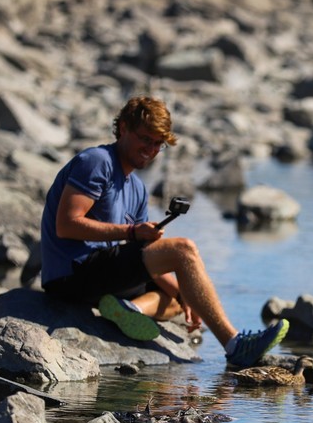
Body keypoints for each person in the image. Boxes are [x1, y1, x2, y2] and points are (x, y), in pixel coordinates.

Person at [40, 95, 288, 367]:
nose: (151, 149)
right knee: (184, 249)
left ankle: (129, 311)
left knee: (181, 299)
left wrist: (186, 295)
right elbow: (66, 225)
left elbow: (146, 254)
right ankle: (235, 344)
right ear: (123, 128)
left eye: (158, 144)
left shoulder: (137, 187)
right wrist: (133, 232)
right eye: (145, 139)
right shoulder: (97, 161)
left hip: (102, 275)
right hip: (72, 274)